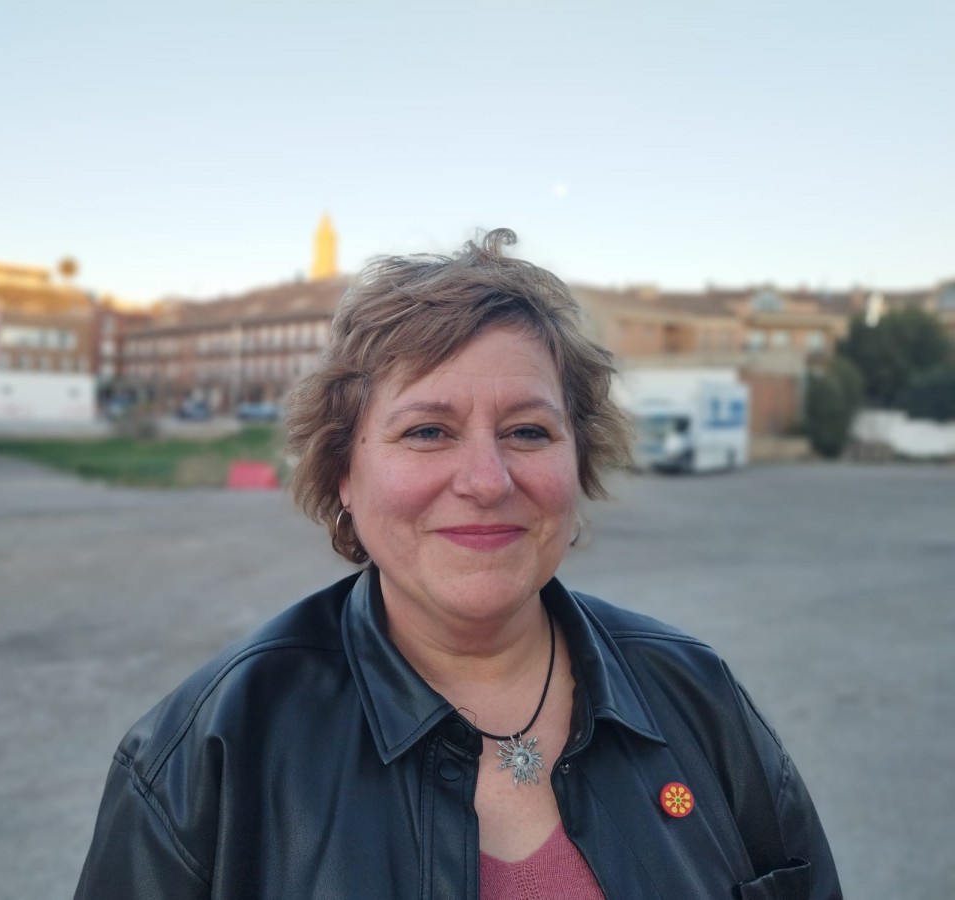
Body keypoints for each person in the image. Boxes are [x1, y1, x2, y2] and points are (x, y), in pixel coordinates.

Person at [75, 229, 841, 899]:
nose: (486, 481)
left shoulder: (697, 697)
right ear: (344, 473)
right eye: (428, 432)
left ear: (578, 463)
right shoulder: (204, 761)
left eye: (528, 432)